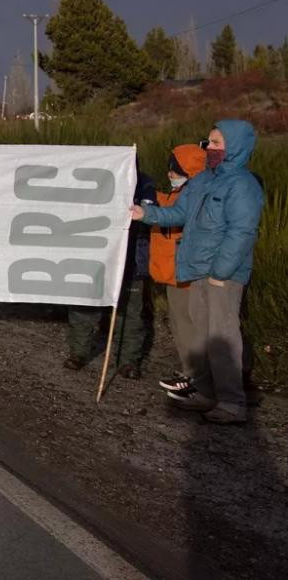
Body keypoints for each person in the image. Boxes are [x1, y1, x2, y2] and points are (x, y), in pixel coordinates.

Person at [133, 119, 264, 424]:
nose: (209, 148)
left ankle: (232, 403)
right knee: (201, 337)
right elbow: (179, 212)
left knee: (222, 338)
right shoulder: (203, 180)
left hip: (222, 276)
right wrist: (147, 214)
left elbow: (242, 232)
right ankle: (205, 393)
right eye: (207, 142)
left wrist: (220, 273)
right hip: (196, 269)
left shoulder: (243, 185)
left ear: (234, 147)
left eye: (216, 143)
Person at [65, 168, 156, 377]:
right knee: (85, 304)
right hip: (96, 256)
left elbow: (151, 215)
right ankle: (78, 352)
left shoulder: (145, 184)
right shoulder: (99, 178)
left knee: (130, 312)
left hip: (133, 261)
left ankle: (128, 361)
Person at [149, 144, 208, 395]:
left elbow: (175, 215)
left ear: (188, 170)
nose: (170, 174)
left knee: (187, 324)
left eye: (174, 169)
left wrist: (145, 212)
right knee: (184, 322)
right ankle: (194, 372)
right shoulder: (187, 192)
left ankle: (193, 375)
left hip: (183, 272)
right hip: (174, 271)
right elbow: (170, 204)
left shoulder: (193, 195)